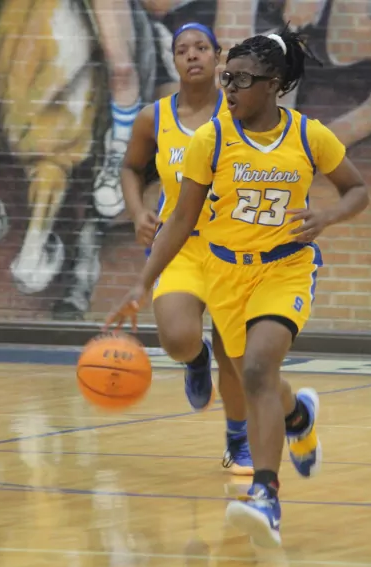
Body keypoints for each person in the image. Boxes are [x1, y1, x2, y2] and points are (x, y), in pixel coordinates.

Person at [106, 26, 369, 547]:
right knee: (263, 383)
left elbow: (357, 189)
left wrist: (328, 215)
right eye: (228, 78)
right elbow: (180, 220)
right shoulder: (212, 140)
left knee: (256, 370)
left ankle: (265, 496)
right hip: (225, 272)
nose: (229, 88)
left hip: (284, 269)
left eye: (241, 80)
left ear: (273, 85)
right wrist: (142, 282)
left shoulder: (309, 135)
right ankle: (299, 416)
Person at [119, 22, 253, 475]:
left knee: (234, 354)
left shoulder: (238, 113)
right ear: (173, 59)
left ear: (218, 57)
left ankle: (239, 441)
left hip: (232, 248)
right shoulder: (152, 118)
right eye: (182, 50)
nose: (192, 55)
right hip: (179, 246)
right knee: (177, 340)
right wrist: (138, 212)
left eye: (201, 48)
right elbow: (131, 168)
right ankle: (195, 360)